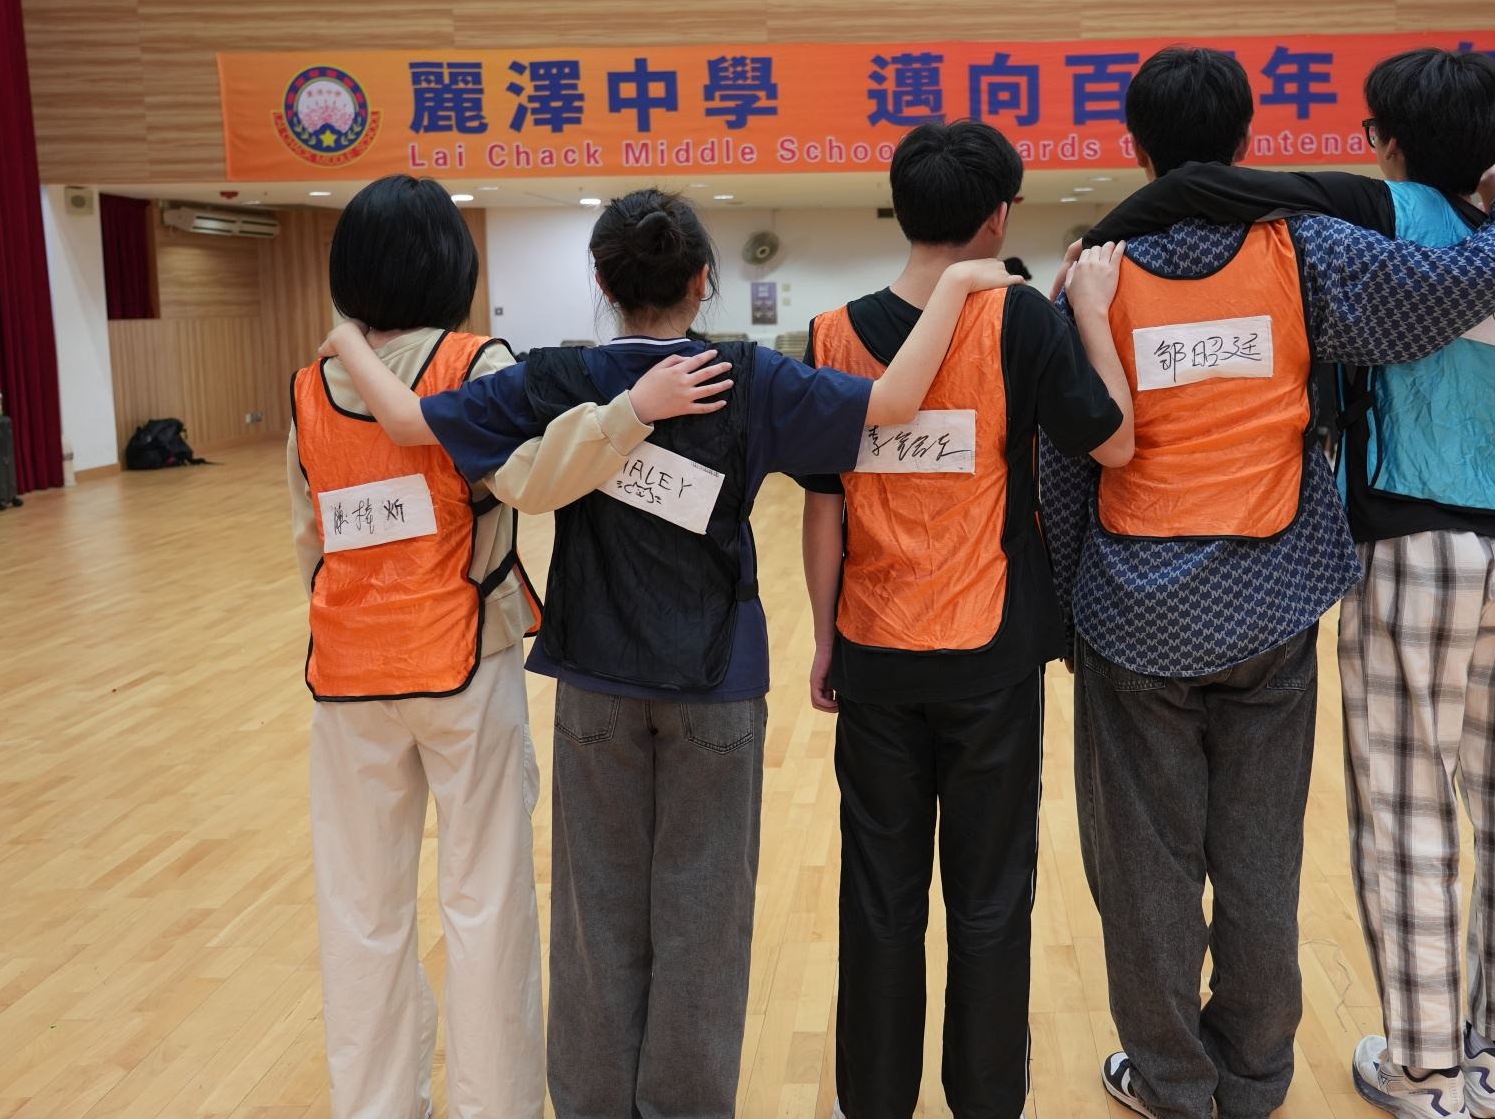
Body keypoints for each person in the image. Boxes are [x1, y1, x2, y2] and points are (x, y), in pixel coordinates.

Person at [322, 188, 1019, 1119]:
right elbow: (895, 402)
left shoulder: (558, 375)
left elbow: (409, 422)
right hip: (716, 688)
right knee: (705, 922)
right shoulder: (749, 376)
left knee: (595, 917)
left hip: (594, 683)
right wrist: (961, 283)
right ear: (702, 280)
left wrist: (347, 341)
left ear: (604, 282)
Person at [1036, 46, 1495, 1119]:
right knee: (1261, 852)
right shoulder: (1307, 249)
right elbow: (1458, 289)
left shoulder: (1093, 274)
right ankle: (1255, 1072)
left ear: (1137, 147)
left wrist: (1072, 604)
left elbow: (1067, 456)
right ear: (1246, 143)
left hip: (1135, 610)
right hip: (1273, 596)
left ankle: (1173, 1080)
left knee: (1145, 864)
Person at [289, 174, 731, 1119]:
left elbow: (310, 537)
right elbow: (532, 479)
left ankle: (374, 1107)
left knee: (359, 911)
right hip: (463, 661)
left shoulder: (313, 384)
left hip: (347, 674)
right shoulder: (472, 362)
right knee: (484, 902)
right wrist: (628, 415)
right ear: (451, 268)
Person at [797, 120, 1134, 1119]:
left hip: (873, 651)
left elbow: (824, 507)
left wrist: (823, 637)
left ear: (903, 209)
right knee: (990, 899)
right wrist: (1093, 315)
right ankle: (987, 1101)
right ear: (998, 216)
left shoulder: (830, 333)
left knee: (879, 898)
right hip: (992, 659)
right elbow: (1114, 444)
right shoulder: (1020, 316)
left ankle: (873, 1102)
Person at [1331, 50, 1495, 1119]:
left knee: (1408, 813)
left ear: (1387, 139)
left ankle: (1424, 1070)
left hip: (1410, 546)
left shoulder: (1376, 235)